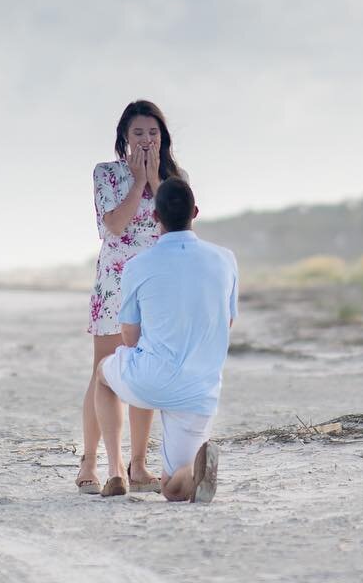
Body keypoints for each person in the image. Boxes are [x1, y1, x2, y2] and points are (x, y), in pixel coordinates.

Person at [94, 177, 237, 502]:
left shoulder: (138, 265)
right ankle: (187, 474)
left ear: (155, 217)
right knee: (172, 488)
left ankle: (117, 470)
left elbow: (129, 336)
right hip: (199, 389)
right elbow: (226, 323)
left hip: (150, 378)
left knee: (102, 374)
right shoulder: (226, 259)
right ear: (195, 212)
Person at [77, 99, 185, 495]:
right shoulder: (106, 174)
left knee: (145, 369)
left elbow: (176, 229)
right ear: (124, 136)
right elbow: (114, 226)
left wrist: (157, 180)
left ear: (163, 137)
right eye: (138, 132)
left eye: (153, 133)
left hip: (157, 282)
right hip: (115, 279)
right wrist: (138, 182)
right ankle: (96, 461)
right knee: (104, 368)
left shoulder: (177, 178)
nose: (145, 140)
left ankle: (139, 464)